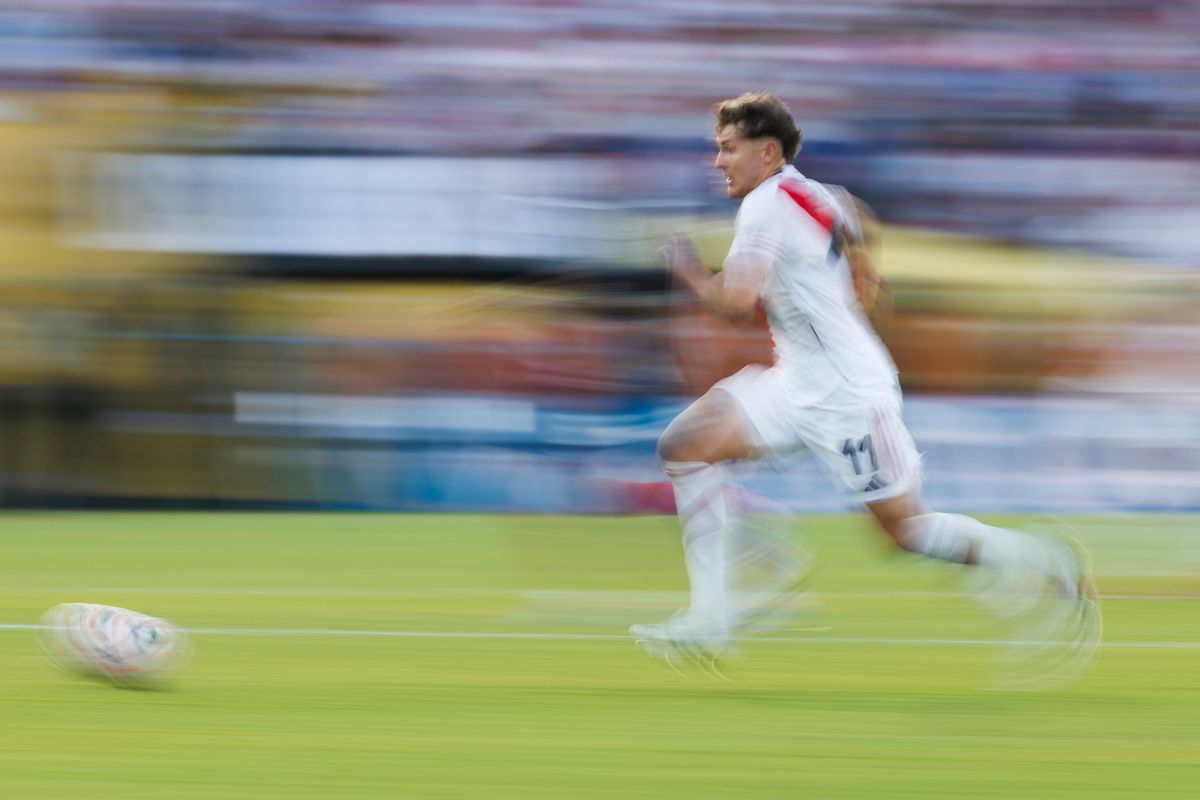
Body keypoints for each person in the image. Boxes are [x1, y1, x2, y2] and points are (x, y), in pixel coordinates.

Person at [630, 92, 1096, 664]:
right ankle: (711, 620)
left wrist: (687, 270)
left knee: (907, 532)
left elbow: (735, 301)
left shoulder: (765, 205)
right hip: (796, 382)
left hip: (846, 396)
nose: (718, 161)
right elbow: (856, 214)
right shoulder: (812, 192)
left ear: (767, 152)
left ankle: (1046, 561)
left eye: (728, 148)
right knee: (685, 446)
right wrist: (864, 267)